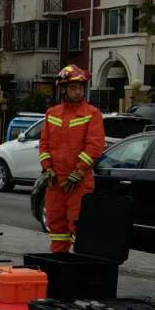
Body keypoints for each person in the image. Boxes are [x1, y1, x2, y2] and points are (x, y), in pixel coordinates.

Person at [37, 65, 105, 253]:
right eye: (73, 88)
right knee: (56, 227)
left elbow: (95, 147)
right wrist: (47, 168)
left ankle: (81, 265)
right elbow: (44, 145)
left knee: (79, 226)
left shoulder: (92, 114)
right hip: (55, 182)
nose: (78, 92)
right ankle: (59, 263)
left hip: (79, 183)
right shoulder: (52, 113)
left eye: (81, 88)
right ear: (63, 89)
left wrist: (79, 171)